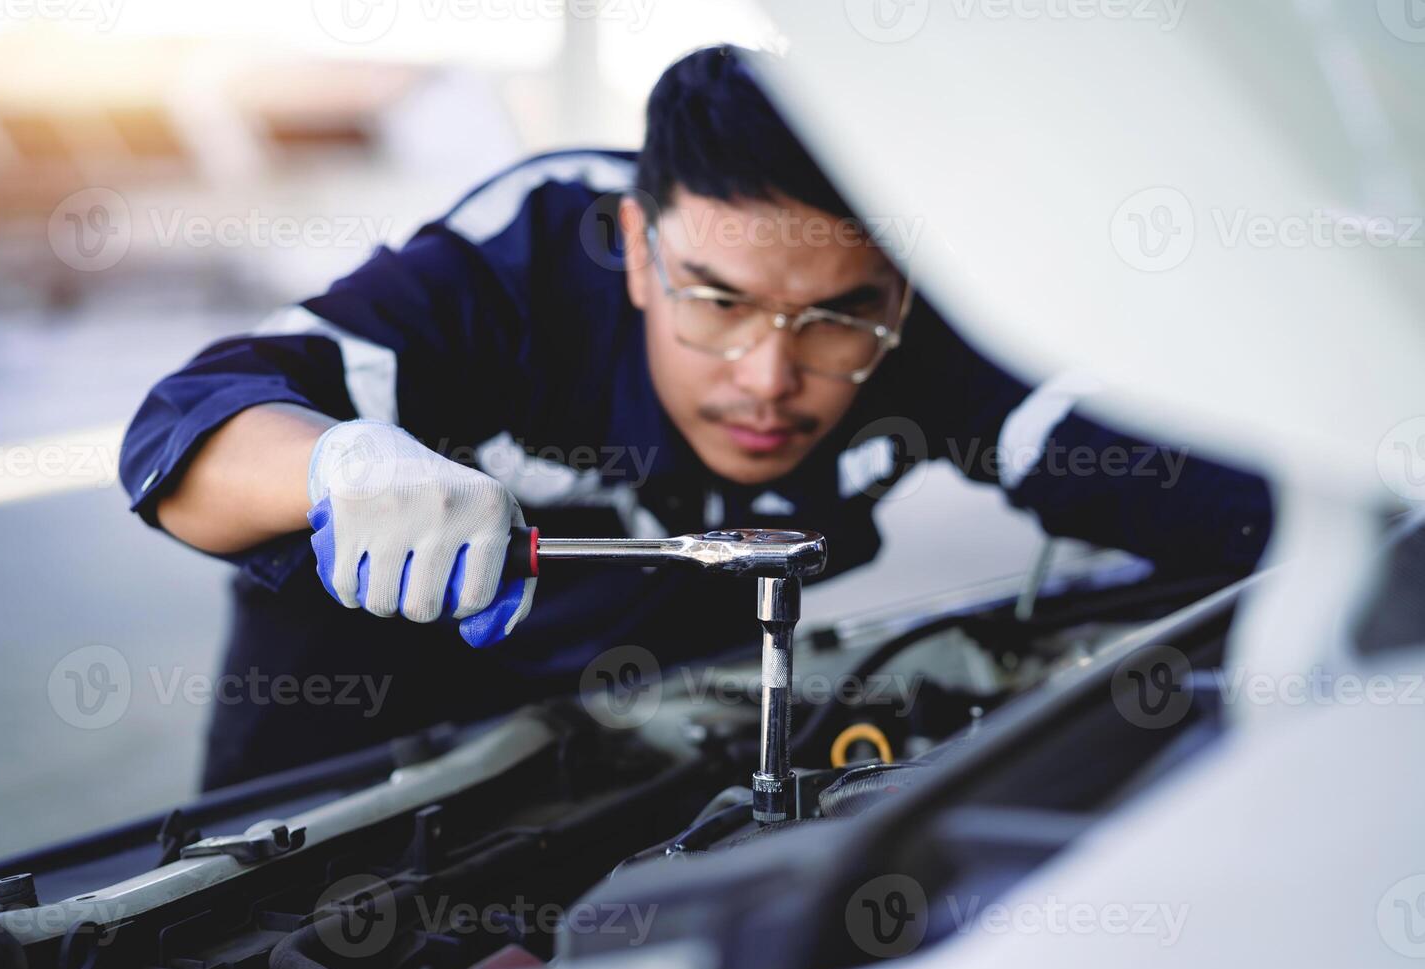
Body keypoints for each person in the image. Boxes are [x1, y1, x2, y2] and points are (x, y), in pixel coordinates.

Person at [120, 45, 1271, 789]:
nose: (771, 376)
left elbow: (1140, 468)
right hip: (355, 743)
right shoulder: (522, 262)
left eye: (836, 318)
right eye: (717, 300)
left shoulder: (922, 319)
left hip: (660, 736)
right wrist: (334, 463)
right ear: (634, 246)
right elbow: (190, 425)